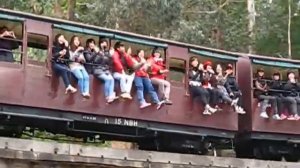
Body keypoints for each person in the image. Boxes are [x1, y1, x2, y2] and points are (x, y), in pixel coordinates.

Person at [84, 38, 118, 103]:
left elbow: (109, 62)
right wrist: (99, 54)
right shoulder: (96, 51)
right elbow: (95, 61)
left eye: (105, 43)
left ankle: (111, 95)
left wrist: (111, 55)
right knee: (108, 79)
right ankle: (107, 95)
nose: (104, 44)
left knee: (111, 79)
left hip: (105, 70)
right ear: (100, 44)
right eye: (102, 43)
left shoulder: (107, 52)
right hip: (97, 69)